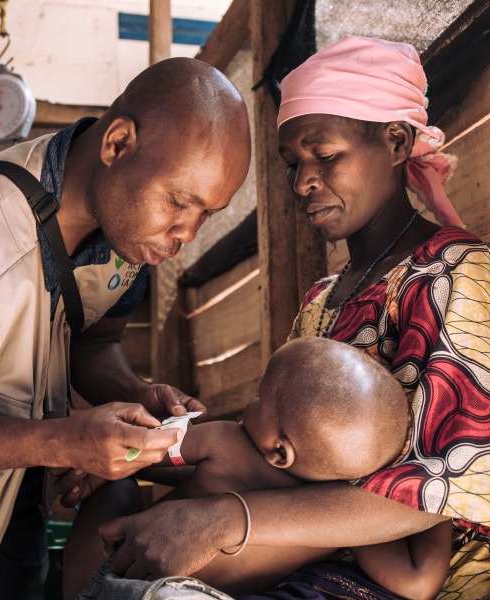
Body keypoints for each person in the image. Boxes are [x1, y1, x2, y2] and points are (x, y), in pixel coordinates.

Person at [93, 36, 490, 599]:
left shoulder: (454, 276)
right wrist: (126, 457)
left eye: (324, 155)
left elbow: (441, 490)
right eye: (292, 163)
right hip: (310, 565)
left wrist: (230, 521)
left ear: (397, 141)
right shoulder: (323, 301)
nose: (303, 181)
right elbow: (269, 450)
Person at [0, 56, 251, 599]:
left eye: (208, 214)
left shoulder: (129, 234)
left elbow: (95, 342)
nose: (186, 235)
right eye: (179, 201)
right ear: (117, 144)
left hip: (14, 513)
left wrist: (135, 395)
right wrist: (65, 442)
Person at [63, 336, 452, 600]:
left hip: (103, 572)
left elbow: (142, 450)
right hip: (171, 594)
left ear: (280, 451)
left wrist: (97, 470)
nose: (249, 405)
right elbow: (418, 581)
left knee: (117, 486)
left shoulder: (226, 441)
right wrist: (446, 506)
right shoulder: (341, 523)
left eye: (258, 397)